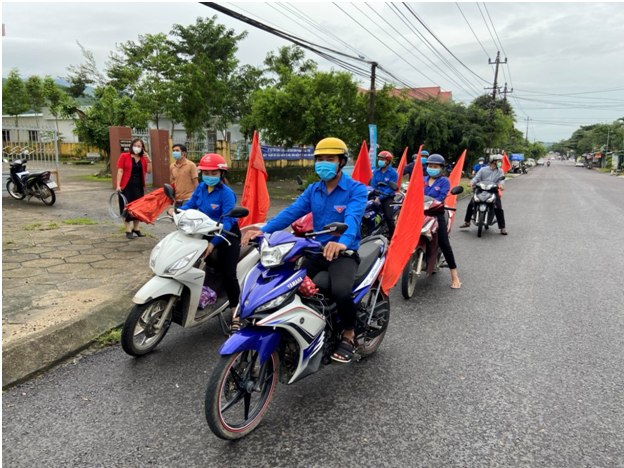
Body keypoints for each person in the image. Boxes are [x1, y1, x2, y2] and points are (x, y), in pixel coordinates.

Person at [241, 137, 368, 364]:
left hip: (343, 255)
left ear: (342, 161)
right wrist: (264, 231)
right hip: (316, 252)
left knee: (340, 291)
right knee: (287, 286)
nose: (323, 164)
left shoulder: (355, 190)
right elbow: (292, 212)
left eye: (330, 159)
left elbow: (353, 218)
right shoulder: (313, 190)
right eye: (319, 159)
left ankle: (349, 334)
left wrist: (343, 242)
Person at [167, 153, 241, 325]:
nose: (209, 177)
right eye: (206, 173)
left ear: (222, 174)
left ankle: (236, 313)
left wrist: (213, 243)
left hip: (227, 235)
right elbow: (190, 206)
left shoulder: (227, 194)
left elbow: (229, 220)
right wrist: (177, 212)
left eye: (214, 173)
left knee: (229, 273)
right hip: (203, 230)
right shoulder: (200, 188)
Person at [423, 154, 462, 289]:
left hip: (437, 213)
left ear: (441, 168)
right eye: (430, 166)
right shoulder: (422, 179)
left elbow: (441, 197)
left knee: (444, 243)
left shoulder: (444, 181)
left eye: (435, 167)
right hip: (421, 213)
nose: (432, 168)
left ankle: (454, 275)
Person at [459, 154, 507, 235]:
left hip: (493, 190)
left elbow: (501, 180)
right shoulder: (483, 169)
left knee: (498, 208)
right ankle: (467, 222)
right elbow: (476, 178)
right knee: (471, 204)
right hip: (481, 189)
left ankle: (502, 228)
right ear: (493, 161)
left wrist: (501, 185)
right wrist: (471, 183)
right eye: (498, 161)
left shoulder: (500, 171)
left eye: (500, 161)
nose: (500, 162)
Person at [116, 138, 152, 239]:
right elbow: (120, 171)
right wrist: (118, 185)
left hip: (138, 186)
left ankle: (136, 228)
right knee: (126, 207)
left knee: (137, 208)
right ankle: (128, 230)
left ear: (142, 148)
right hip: (126, 185)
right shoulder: (124, 156)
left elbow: (149, 171)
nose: (137, 147)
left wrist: (149, 159)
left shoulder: (144, 159)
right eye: (135, 145)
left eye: (139, 146)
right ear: (131, 146)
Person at [371, 150, 399, 239]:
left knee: (388, 216)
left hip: (387, 196)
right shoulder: (376, 171)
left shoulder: (393, 173)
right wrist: (373, 194)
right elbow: (373, 184)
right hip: (376, 194)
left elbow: (390, 188)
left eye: (382, 159)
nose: (380, 161)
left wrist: (380, 197)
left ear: (388, 161)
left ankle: (393, 238)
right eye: (379, 159)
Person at [170, 144, 198, 208]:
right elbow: (173, 181)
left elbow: (195, 181)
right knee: (177, 217)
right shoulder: (172, 166)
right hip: (177, 198)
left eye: (177, 150)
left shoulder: (191, 165)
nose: (174, 152)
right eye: (173, 151)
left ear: (183, 152)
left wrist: (197, 196)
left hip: (189, 198)